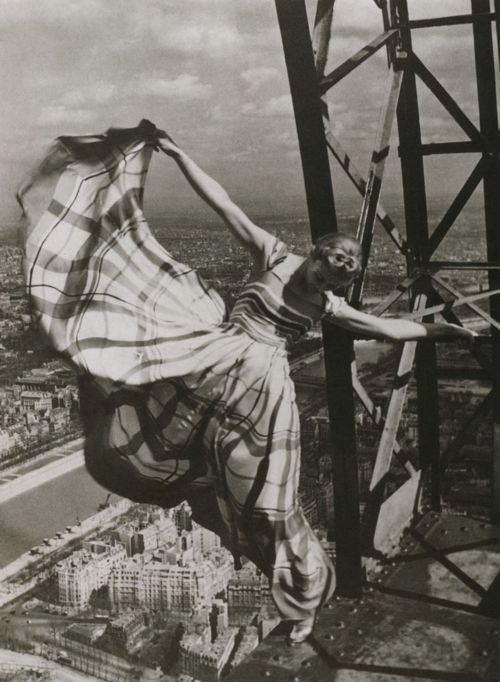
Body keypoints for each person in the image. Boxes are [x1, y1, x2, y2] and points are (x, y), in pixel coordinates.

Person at [20, 122, 476, 645]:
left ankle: (301, 602)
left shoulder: (327, 305)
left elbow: (391, 327)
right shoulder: (272, 253)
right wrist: (176, 150)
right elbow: (223, 202)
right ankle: (206, 508)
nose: (338, 270)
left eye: (346, 271)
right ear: (318, 251)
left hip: (261, 397)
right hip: (209, 365)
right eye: (336, 259)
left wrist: (447, 330)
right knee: (132, 407)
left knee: (272, 508)